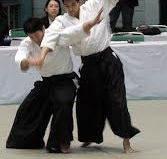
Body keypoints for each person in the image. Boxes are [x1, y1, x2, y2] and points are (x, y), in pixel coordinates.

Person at [40, 0, 140, 154]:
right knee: (86, 102)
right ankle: (89, 136)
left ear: (79, 2)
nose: (71, 8)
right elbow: (51, 36)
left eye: (73, 4)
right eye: (67, 5)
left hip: (108, 60)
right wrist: (42, 56)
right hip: (88, 63)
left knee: (117, 100)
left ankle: (126, 140)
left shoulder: (92, 5)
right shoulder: (61, 20)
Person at [6, 14, 102, 153]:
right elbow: (21, 61)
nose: (35, 39)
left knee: (63, 103)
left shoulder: (57, 36)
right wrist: (29, 61)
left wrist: (91, 23)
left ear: (44, 29)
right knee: (27, 107)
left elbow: (75, 32)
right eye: (31, 36)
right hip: (46, 83)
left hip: (64, 81)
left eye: (37, 35)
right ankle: (27, 141)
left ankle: (61, 141)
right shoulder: (27, 43)